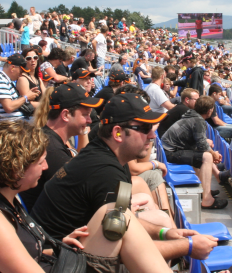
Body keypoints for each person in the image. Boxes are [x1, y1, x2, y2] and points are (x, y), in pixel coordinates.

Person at [0, 120, 172, 273]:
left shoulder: (5, 196)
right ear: (17, 169)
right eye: (40, 162)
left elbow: (23, 253)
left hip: (58, 260)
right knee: (119, 215)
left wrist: (58, 245)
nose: (46, 168)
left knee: (118, 213)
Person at [32, 93, 221, 262]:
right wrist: (187, 247)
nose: (153, 136)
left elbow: (126, 221)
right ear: (117, 133)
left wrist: (166, 233)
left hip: (76, 251)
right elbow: (124, 249)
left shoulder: (113, 160)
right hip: (59, 261)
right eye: (145, 128)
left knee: (159, 223)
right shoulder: (105, 171)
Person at [20, 82, 103, 212]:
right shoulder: (51, 150)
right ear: (65, 115)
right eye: (85, 115)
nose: (90, 121)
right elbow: (79, 193)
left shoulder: (53, 138)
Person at [161, 96, 229, 209]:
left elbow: (199, 144)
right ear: (209, 111)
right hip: (170, 152)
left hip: (170, 150)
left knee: (201, 155)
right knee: (206, 157)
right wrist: (214, 154)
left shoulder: (191, 115)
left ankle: (204, 191)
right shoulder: (199, 121)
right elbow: (202, 145)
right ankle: (207, 199)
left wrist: (212, 152)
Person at [0, 54, 40, 121]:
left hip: (19, 121)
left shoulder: (7, 80)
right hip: (12, 124)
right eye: (20, 71)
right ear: (12, 68)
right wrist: (26, 97)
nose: (20, 75)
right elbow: (9, 107)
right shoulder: (1, 81)